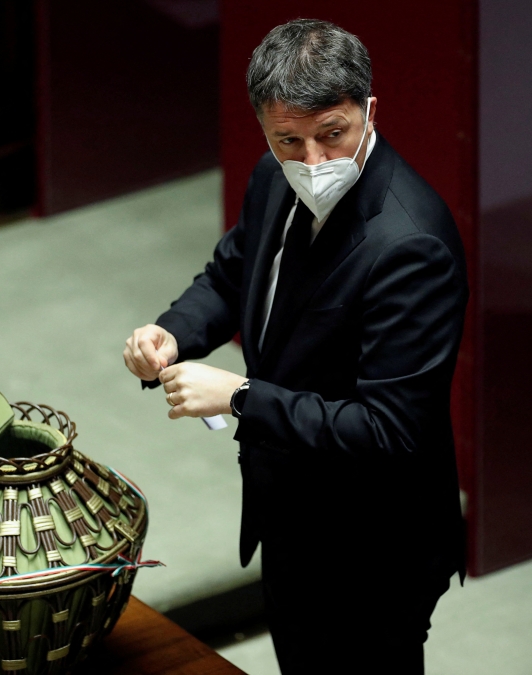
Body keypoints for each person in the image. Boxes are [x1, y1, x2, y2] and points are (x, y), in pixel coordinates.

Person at [122, 18, 468, 674]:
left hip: (374, 542)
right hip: (292, 510)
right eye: (288, 140)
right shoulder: (271, 178)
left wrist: (242, 396)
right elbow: (232, 273)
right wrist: (173, 333)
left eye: (332, 135)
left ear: (369, 111)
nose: (313, 163)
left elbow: (389, 428)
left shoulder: (412, 245)